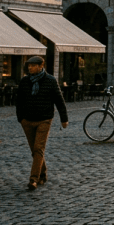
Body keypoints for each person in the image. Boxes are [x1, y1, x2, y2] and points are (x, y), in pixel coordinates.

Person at [15, 56, 68, 191]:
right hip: (27, 120)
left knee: (38, 148)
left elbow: (59, 100)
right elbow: (19, 100)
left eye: (32, 66)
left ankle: (33, 179)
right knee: (35, 150)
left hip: (44, 119)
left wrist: (64, 118)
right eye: (28, 66)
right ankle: (43, 174)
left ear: (40, 66)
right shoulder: (25, 81)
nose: (29, 68)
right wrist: (21, 118)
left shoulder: (50, 80)